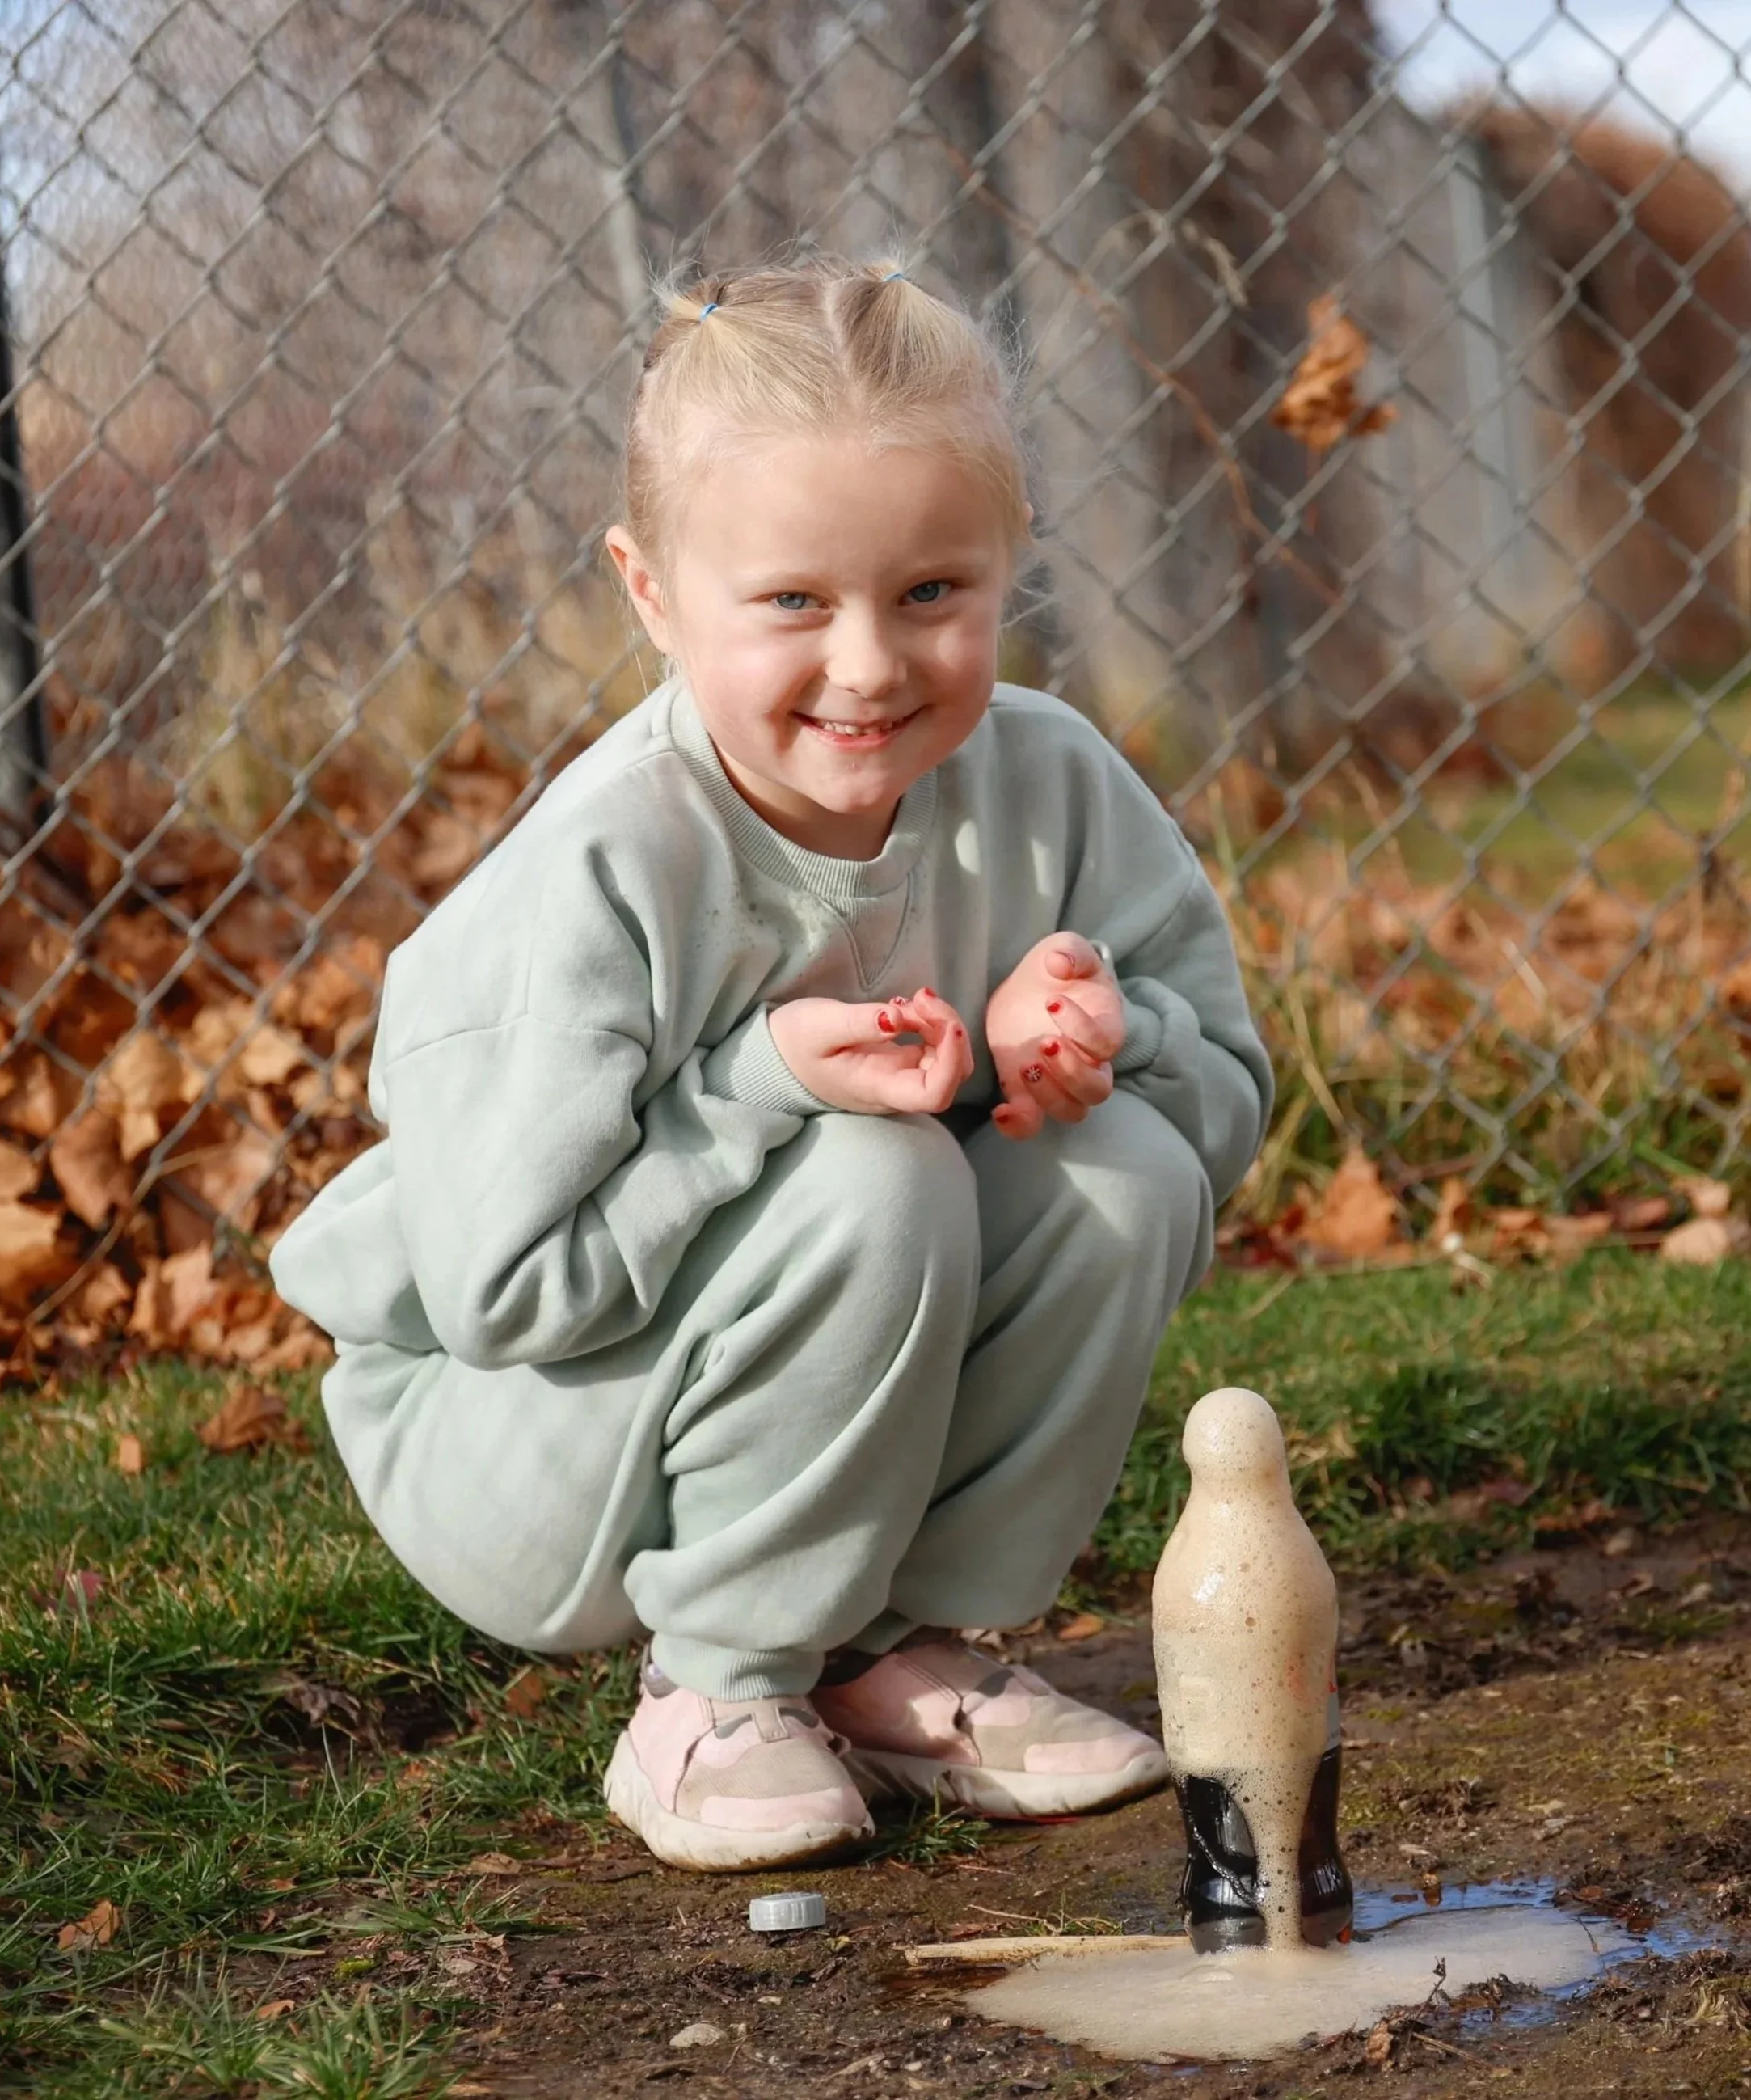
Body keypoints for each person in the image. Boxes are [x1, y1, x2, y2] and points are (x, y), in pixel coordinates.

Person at [269, 256, 1273, 1874]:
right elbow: (505, 1295)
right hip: (519, 1441)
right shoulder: (608, 869)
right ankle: (716, 1690)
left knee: (1124, 1165)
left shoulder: (1053, 784)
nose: (868, 663)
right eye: (794, 600)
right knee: (875, 1171)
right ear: (654, 591)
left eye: (932, 590)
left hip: (746, 1348)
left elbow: (1222, 1108)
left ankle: (888, 1654)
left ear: (1007, 569)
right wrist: (754, 1085)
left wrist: (1112, 1035)